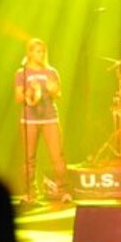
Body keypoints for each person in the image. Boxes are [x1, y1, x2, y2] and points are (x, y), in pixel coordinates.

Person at [14, 37, 70, 203]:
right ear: (29, 53)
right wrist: (30, 94)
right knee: (29, 158)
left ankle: (63, 191)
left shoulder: (51, 72)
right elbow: (18, 98)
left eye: (42, 51)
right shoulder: (21, 72)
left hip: (50, 118)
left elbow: (58, 94)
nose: (41, 54)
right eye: (37, 51)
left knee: (57, 156)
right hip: (29, 120)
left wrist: (53, 91)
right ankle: (30, 192)